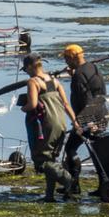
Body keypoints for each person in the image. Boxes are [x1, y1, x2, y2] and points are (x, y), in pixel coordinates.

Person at [20, 54, 77, 201]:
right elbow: (66, 104)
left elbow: (32, 104)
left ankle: (68, 180)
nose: (26, 72)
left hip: (47, 125)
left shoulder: (33, 82)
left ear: (30, 67)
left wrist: (23, 108)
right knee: (51, 158)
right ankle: (49, 196)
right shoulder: (55, 81)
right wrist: (75, 122)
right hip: (61, 124)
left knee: (41, 161)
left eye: (25, 69)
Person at [60, 43, 107, 184]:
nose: (65, 62)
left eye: (66, 59)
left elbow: (86, 99)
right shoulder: (93, 67)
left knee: (70, 148)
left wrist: (84, 123)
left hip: (87, 118)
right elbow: (101, 91)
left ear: (73, 58)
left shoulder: (79, 75)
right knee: (96, 151)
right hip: (101, 113)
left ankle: (73, 184)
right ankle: (103, 182)